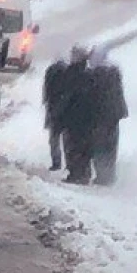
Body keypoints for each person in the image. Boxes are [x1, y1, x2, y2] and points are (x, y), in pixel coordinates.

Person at [58, 45, 97, 185]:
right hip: (86, 118)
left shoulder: (72, 74)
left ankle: (76, 173)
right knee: (84, 147)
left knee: (73, 146)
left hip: (73, 117)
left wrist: (61, 113)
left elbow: (67, 96)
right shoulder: (89, 74)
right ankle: (83, 173)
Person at [89, 47, 128, 186]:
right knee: (111, 145)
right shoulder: (114, 71)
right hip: (114, 115)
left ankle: (102, 175)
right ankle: (110, 174)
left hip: (100, 116)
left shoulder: (96, 74)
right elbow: (118, 94)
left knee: (99, 145)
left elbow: (95, 97)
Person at [43, 57, 68, 171]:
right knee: (67, 139)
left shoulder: (51, 72)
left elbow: (46, 91)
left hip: (53, 109)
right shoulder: (69, 73)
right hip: (66, 110)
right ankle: (69, 163)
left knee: (54, 139)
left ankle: (56, 162)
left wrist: (46, 102)